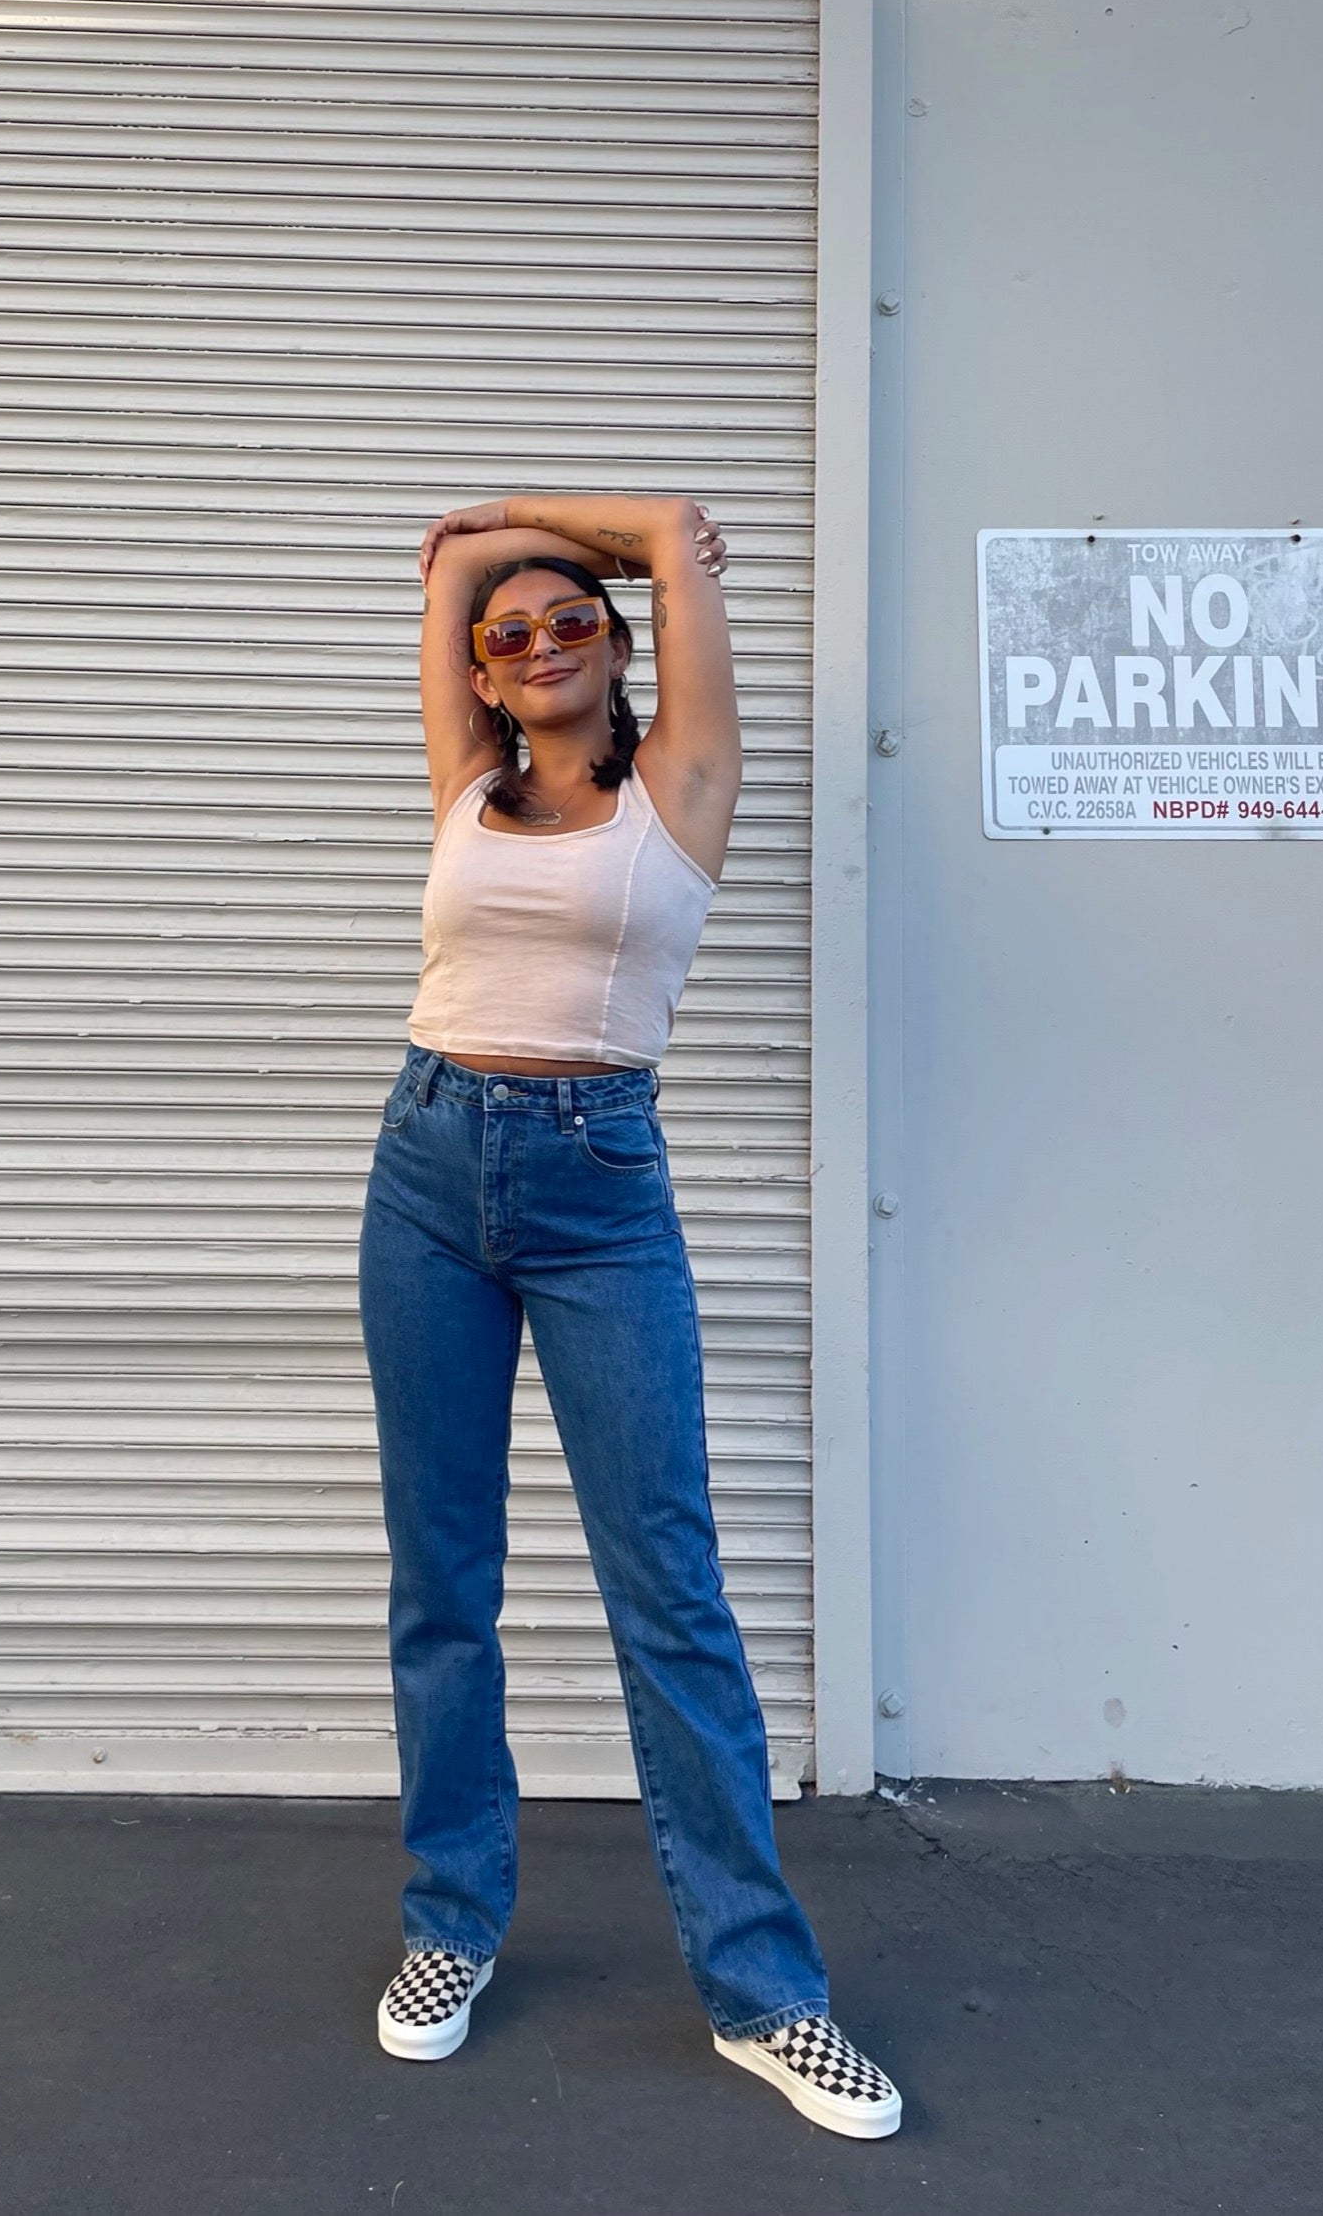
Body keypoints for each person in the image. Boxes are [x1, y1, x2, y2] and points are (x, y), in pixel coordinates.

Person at [356, 493, 901, 2142]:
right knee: (442, 1577)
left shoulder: (682, 785)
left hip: (600, 1187)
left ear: (620, 643)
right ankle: (451, 1921)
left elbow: (662, 529)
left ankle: (766, 1993)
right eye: (508, 636)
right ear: (482, 673)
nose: (536, 642)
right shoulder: (469, 783)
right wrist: (492, 551)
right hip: (425, 1168)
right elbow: (448, 564)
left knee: (669, 1588)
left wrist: (530, 526)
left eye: (570, 620)